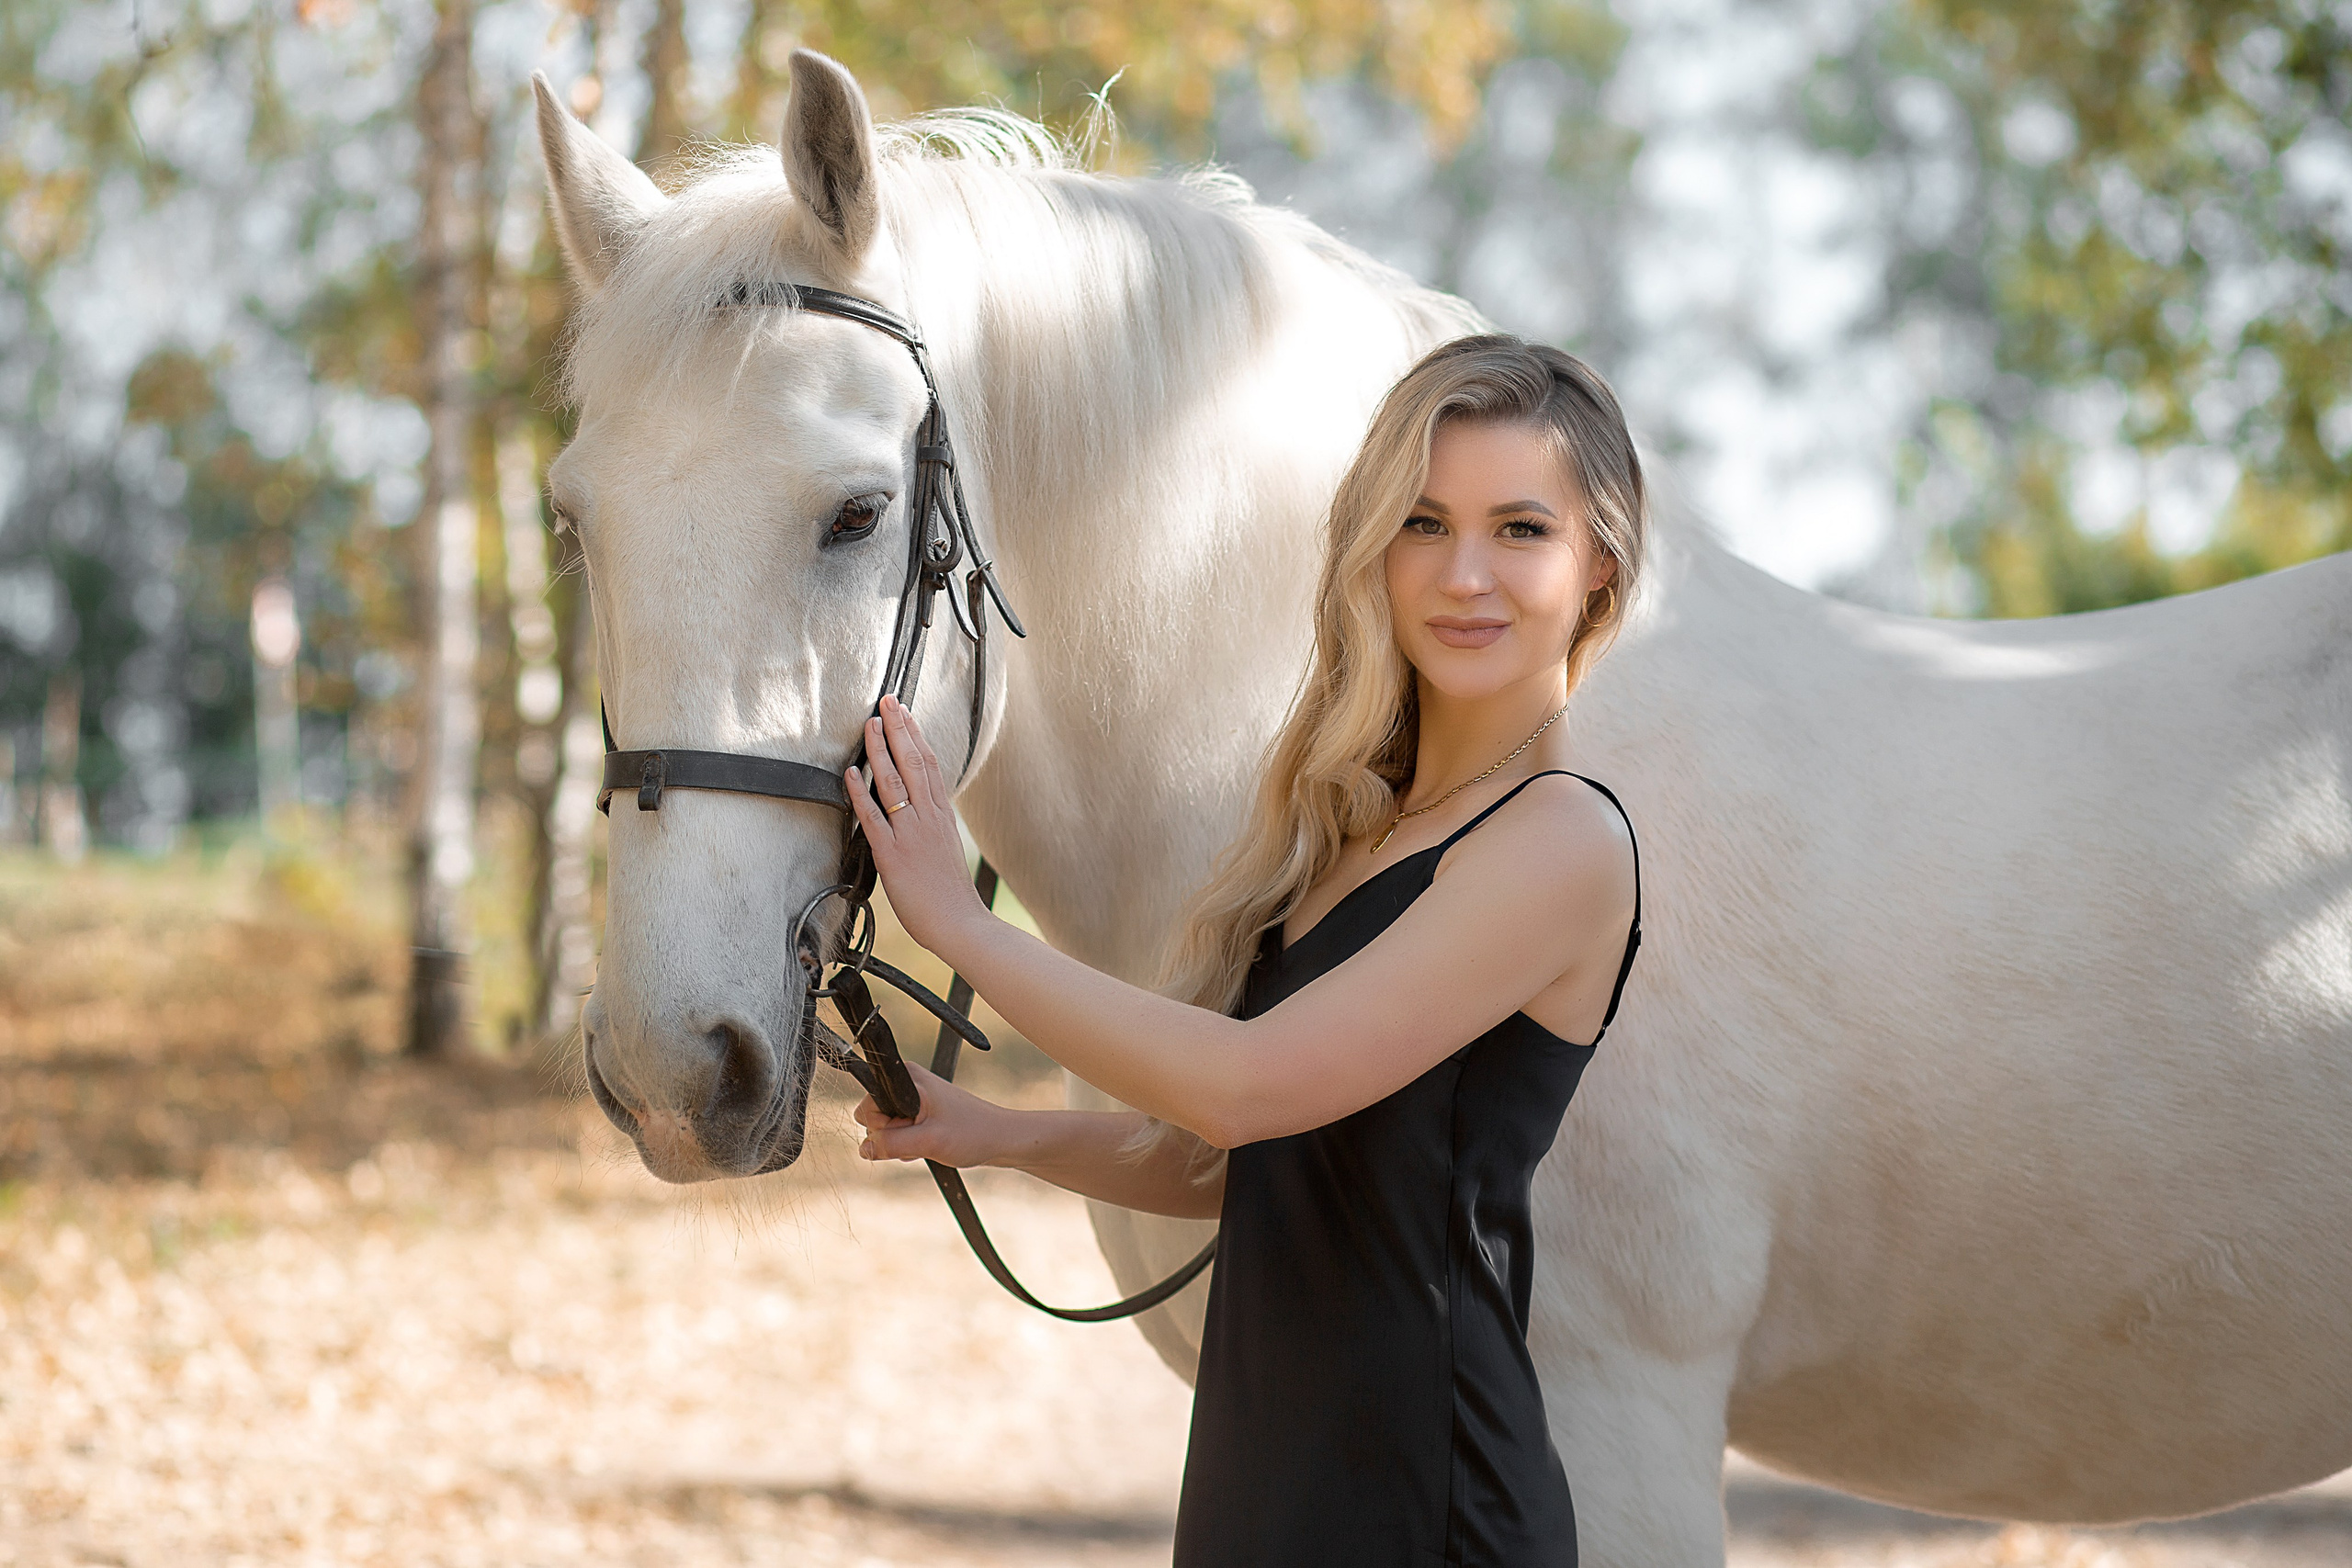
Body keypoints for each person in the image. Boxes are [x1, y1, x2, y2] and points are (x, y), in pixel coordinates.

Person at [842, 333, 1648, 1567]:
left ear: (1599, 567)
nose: (1465, 574)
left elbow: (1247, 1082)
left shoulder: (1561, 841)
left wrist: (957, 922)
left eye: (1521, 530)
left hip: (1428, 1508)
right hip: (1266, 1490)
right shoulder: (1354, 832)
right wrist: (992, 1132)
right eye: (1424, 524)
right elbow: (1254, 1158)